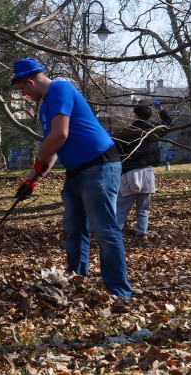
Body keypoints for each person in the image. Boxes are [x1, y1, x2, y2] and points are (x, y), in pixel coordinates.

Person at [12, 58, 132, 300]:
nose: (23, 93)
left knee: (105, 230)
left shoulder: (61, 89)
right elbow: (54, 148)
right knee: (74, 229)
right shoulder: (46, 107)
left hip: (99, 165)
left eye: (22, 88)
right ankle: (77, 281)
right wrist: (32, 180)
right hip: (76, 172)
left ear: (31, 82)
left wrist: (39, 155)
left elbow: (59, 136)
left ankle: (120, 292)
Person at [114, 101, 173, 241]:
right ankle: (142, 234)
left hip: (129, 173)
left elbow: (117, 151)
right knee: (143, 209)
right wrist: (161, 110)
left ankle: (114, 235)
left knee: (122, 208)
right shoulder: (154, 131)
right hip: (147, 172)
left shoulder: (126, 132)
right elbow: (169, 123)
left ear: (136, 116)